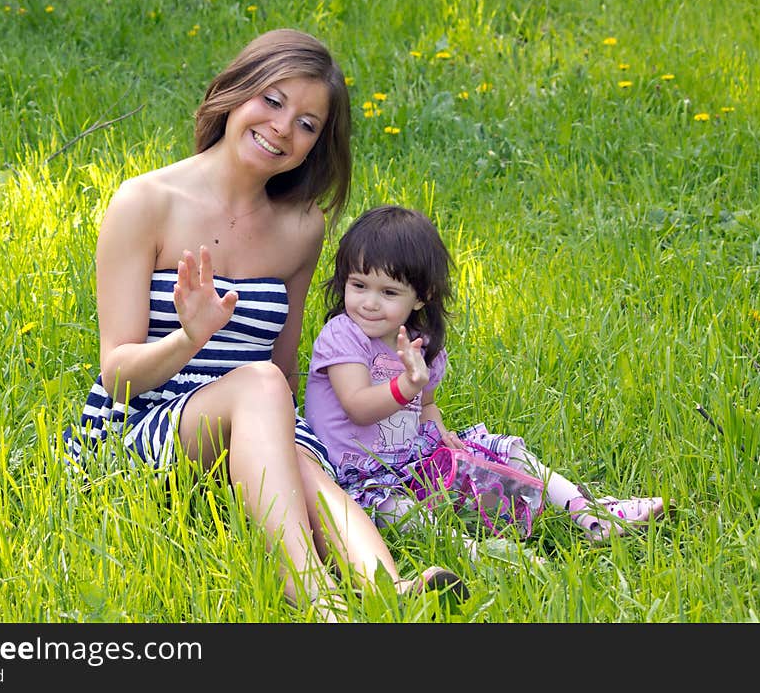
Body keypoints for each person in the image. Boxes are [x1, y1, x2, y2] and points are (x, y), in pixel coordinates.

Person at [61, 31, 464, 620]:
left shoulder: (301, 226)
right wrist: (189, 338)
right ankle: (314, 597)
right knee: (259, 386)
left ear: (315, 147)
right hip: (143, 421)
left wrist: (295, 446)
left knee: (293, 444)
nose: (282, 128)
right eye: (272, 101)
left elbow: (286, 356)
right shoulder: (144, 202)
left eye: (307, 124)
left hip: (254, 414)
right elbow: (119, 375)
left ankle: (388, 590)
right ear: (235, 91)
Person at [304, 204, 668, 545]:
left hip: (410, 462)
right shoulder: (343, 334)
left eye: (388, 292)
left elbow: (425, 405)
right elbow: (358, 407)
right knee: (401, 512)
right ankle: (479, 553)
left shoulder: (421, 345)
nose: (369, 302)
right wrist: (406, 385)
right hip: (354, 477)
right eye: (359, 285)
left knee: (504, 454)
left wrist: (440, 433)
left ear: (420, 297)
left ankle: (589, 513)